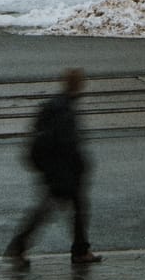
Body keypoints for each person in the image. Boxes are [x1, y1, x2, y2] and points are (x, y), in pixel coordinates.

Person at [7, 69, 100, 267]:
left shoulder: (57, 104)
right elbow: (66, 143)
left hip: (55, 169)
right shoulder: (64, 109)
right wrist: (79, 164)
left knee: (68, 209)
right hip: (62, 171)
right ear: (77, 86)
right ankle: (19, 246)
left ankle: (80, 249)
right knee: (53, 211)